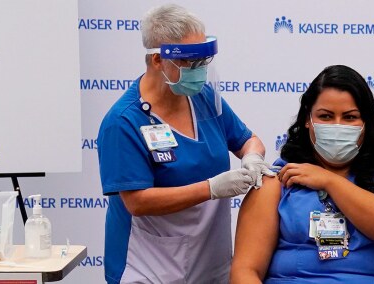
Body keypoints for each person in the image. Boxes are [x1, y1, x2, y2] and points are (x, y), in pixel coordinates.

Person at [96, 4, 273, 284]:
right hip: (148, 268)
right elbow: (137, 202)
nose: (199, 70)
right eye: (190, 62)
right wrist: (211, 188)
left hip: (211, 263)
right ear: (157, 60)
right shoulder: (123, 122)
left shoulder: (202, 98)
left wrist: (252, 157)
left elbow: (248, 140)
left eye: (204, 61)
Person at [231, 65, 374, 283]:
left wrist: (329, 181)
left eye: (349, 117)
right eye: (325, 116)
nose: (337, 126)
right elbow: (245, 271)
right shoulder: (278, 181)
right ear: (308, 119)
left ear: (366, 123)